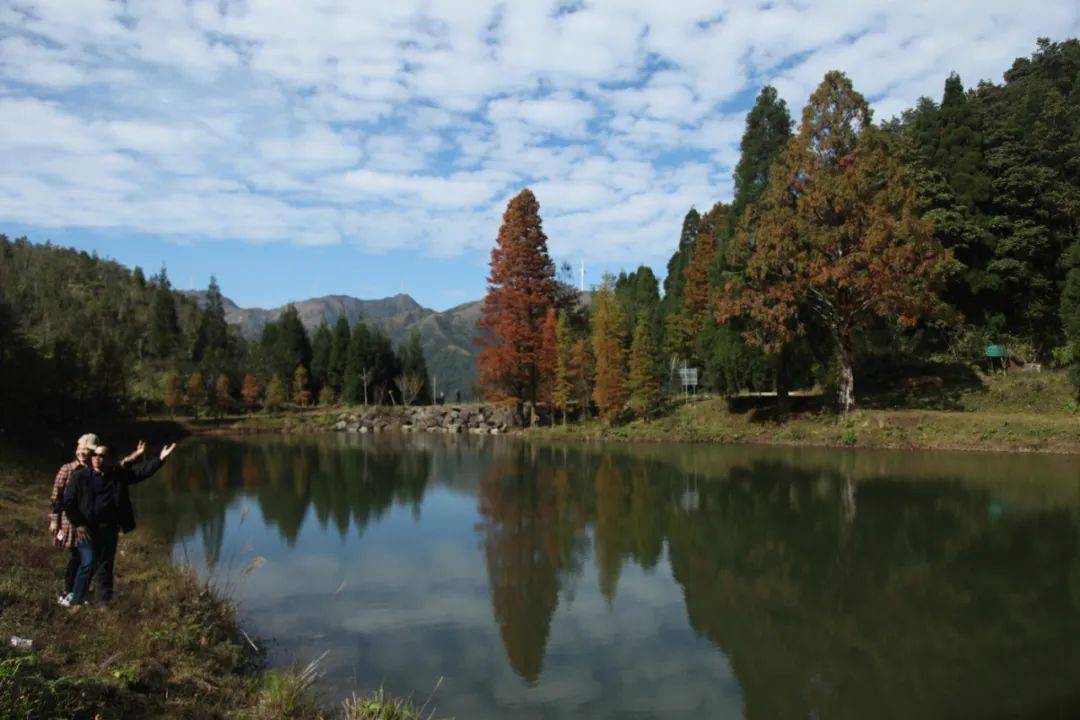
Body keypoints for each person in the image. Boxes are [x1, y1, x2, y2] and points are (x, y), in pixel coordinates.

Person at [60, 441, 176, 607]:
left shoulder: (117, 476)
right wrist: (79, 524)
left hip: (108, 528)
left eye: (102, 456)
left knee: (106, 565)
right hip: (85, 529)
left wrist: (160, 459)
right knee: (88, 562)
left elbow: (140, 473)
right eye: (95, 455)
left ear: (111, 460)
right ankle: (75, 600)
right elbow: (68, 502)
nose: (97, 458)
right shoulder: (80, 476)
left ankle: (103, 603)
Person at [49, 434, 144, 603]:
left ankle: (81, 593)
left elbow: (120, 465)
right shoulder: (69, 469)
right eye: (81, 449)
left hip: (90, 522)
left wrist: (135, 456)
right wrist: (54, 520)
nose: (84, 453)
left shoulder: (99, 468)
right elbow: (57, 498)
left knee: (89, 558)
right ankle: (70, 591)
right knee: (78, 556)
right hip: (71, 520)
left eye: (88, 451)